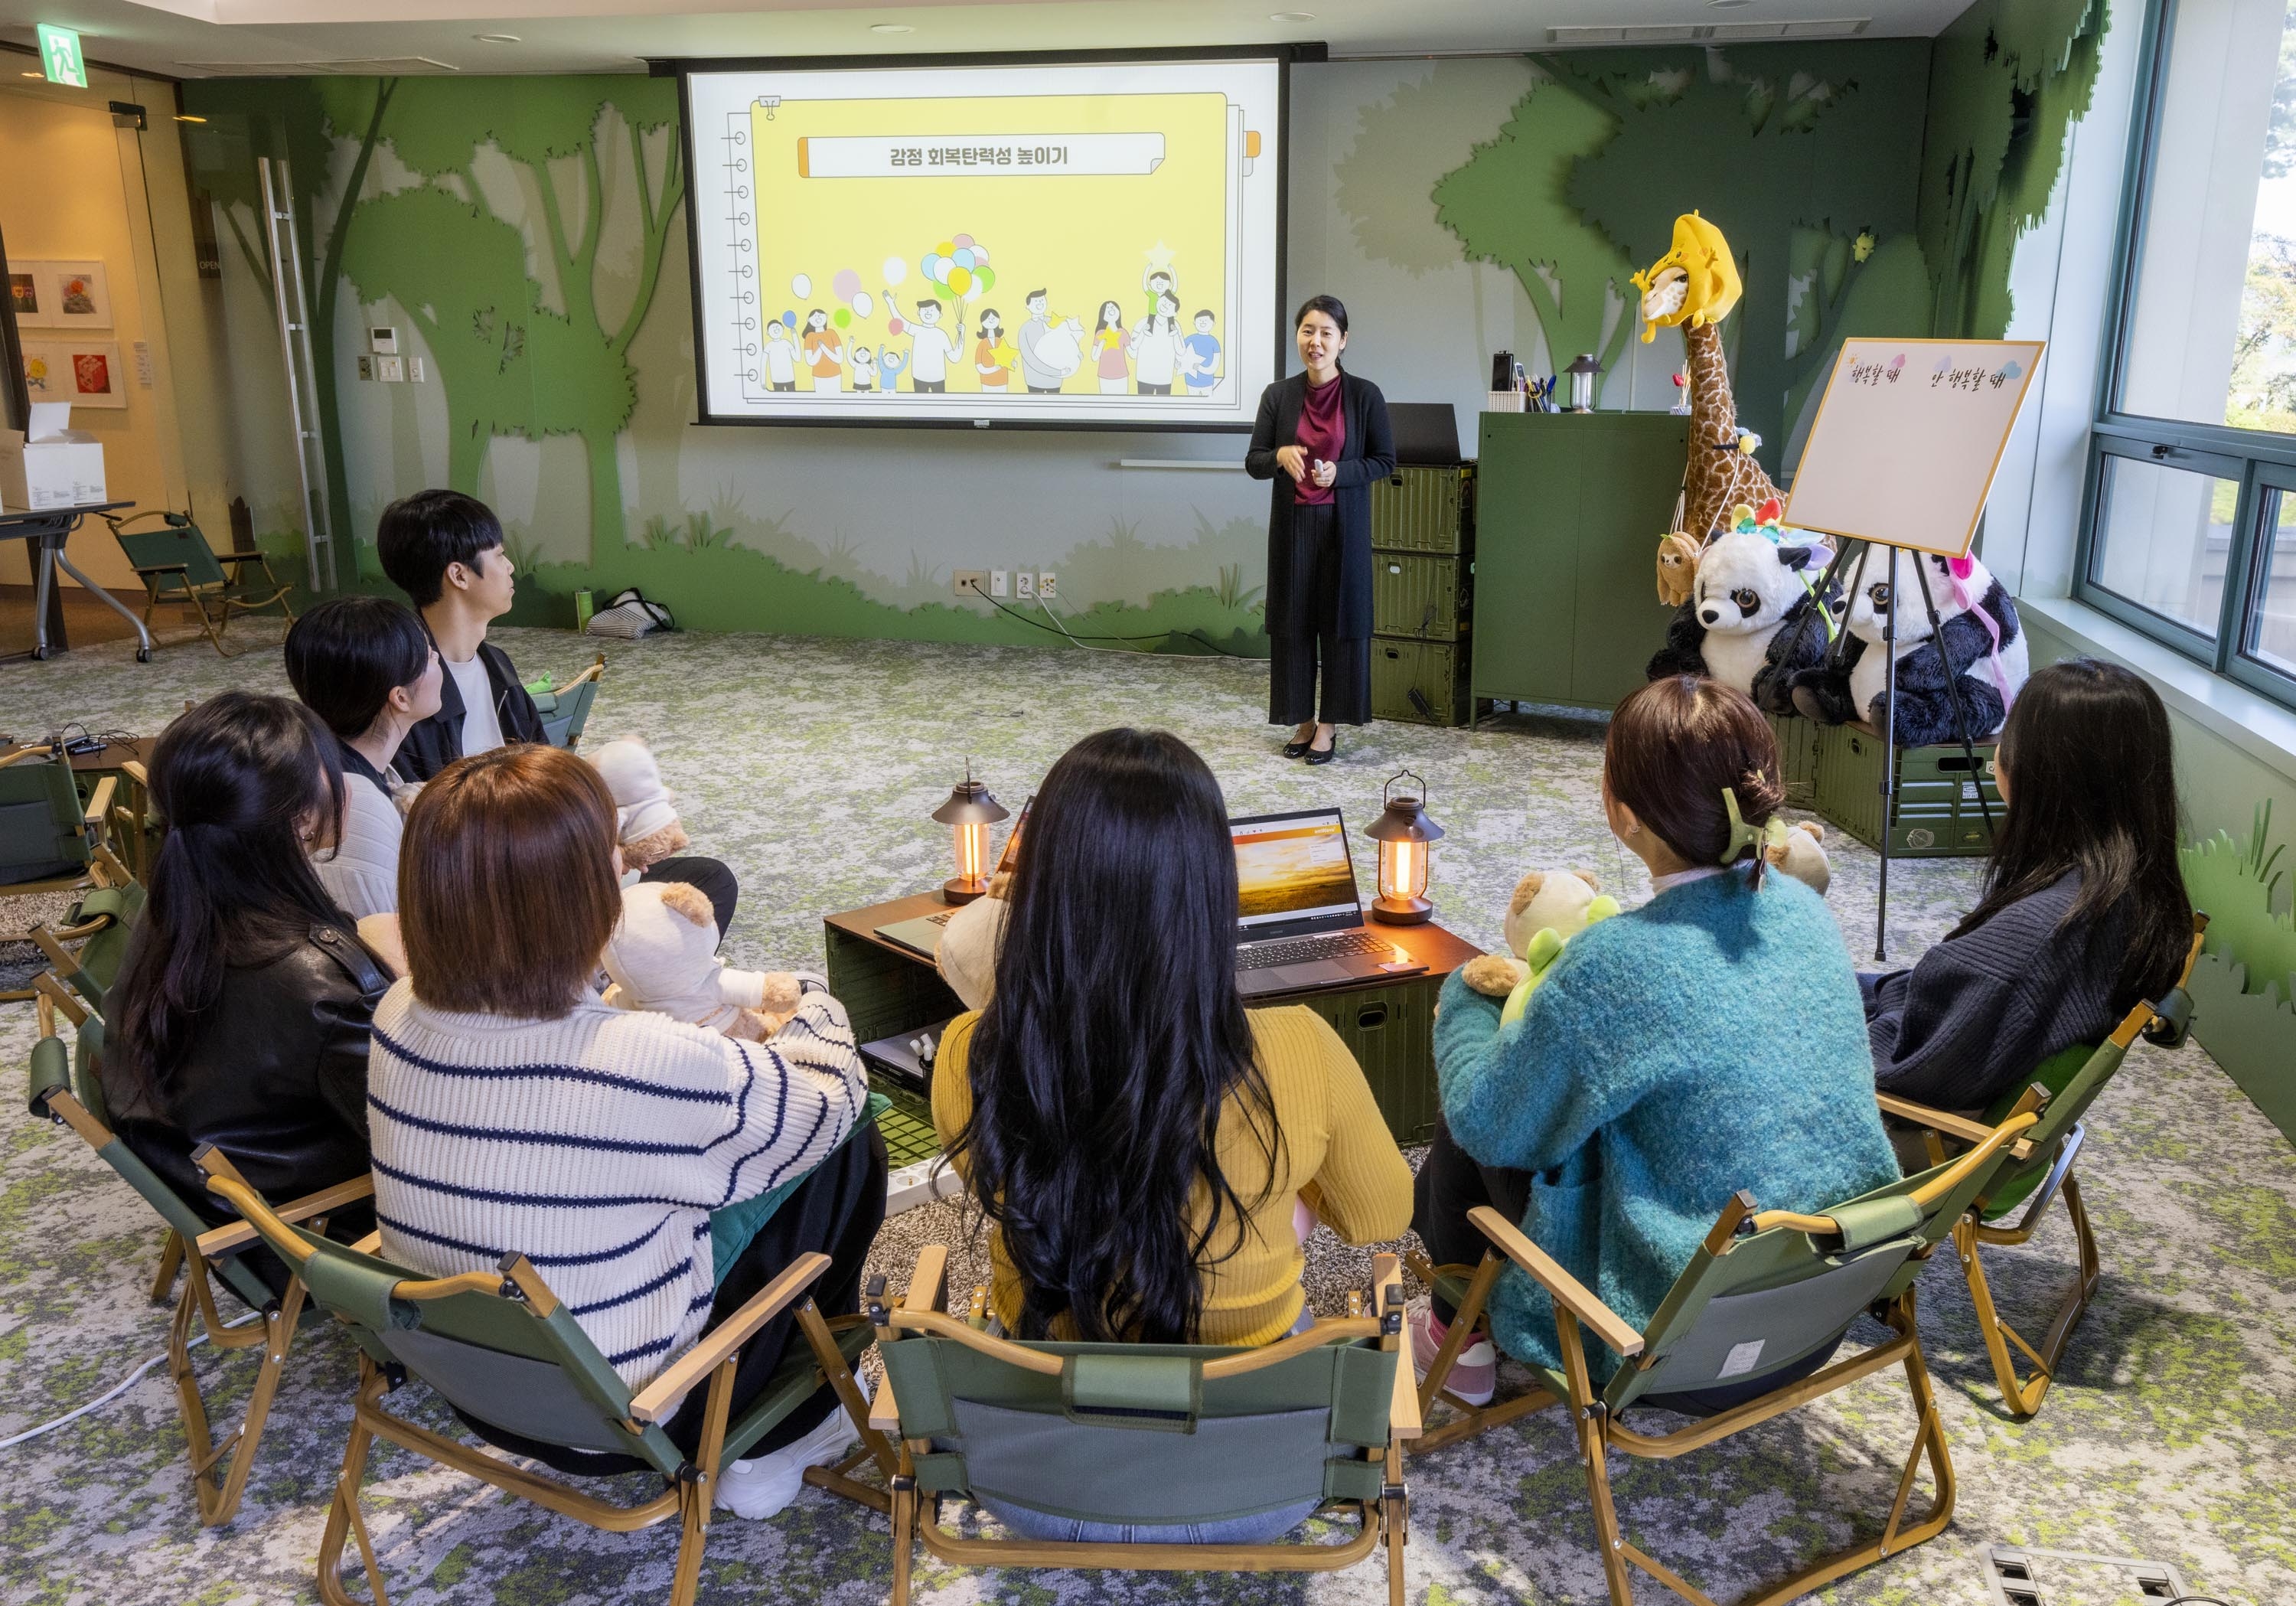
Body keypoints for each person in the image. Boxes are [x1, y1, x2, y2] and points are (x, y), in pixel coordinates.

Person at [367, 745, 884, 1519]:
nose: (630, 876)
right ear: (581, 901)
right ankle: (786, 1428)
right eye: (614, 864)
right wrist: (804, 994)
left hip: (468, 1376)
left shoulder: (396, 1009)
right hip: (627, 1413)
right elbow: (826, 1095)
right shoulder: (641, 1061)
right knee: (849, 1137)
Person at [933, 727, 1414, 1544]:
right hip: (1261, 1483)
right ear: (1210, 892)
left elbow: (1023, 1172)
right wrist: (1283, 1196)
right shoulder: (1302, 1046)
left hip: (1035, 1478)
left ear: (1038, 888)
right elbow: (1380, 1217)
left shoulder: (969, 1052)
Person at [1412, 677, 1900, 1412]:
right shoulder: (1804, 910)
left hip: (1667, 1336)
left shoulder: (1614, 965)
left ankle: (1459, 1339)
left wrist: (1466, 997)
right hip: (1818, 1311)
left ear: (1623, 813)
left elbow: (1491, 1120)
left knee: (1470, 1107)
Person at [99, 692, 391, 1282]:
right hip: (317, 1237)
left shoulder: (169, 911)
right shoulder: (319, 980)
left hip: (220, 1195)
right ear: (303, 819)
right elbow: (413, 1134)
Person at [376, 488, 740, 938]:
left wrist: (617, 816)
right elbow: (432, 840)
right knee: (672, 909)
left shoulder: (497, 666)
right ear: (459, 575)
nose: (510, 568)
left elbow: (548, 779)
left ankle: (614, 965)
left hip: (544, 863)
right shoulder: (409, 691)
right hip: (497, 894)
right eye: (500, 555)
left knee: (708, 881)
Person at [1864, 658, 2194, 1121]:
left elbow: (1898, 1078)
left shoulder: (2031, 940)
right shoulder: (2137, 893)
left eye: (2008, 738)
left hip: (1918, 1132)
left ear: (2037, 770)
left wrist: (1852, 1016)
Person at [1246, 295, 1394, 765]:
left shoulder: (1365, 395)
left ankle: (1328, 726)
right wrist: (1279, 457)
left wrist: (1342, 473)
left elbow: (1384, 461)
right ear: (1298, 337)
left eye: (1326, 333)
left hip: (1341, 529)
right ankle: (1302, 721)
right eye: (1308, 331)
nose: (1316, 342)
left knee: (1339, 624)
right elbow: (1254, 461)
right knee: (1293, 625)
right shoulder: (1278, 395)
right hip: (1294, 529)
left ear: (1343, 341)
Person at [284, 596, 440, 920]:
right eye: (428, 657)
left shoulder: (322, 764)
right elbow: (377, 949)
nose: (438, 657)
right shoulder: (355, 805)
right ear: (400, 698)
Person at [1132, 292, 1182, 395]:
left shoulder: (1175, 325)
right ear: (1158, 301)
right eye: (1164, 301)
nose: (1165, 305)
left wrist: (1176, 334)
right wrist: (1143, 331)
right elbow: (1133, 345)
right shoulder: (1144, 322)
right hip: (1144, 375)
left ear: (1175, 313)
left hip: (1165, 377)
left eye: (1169, 305)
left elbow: (1181, 351)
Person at [1091, 299, 1132, 394]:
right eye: (1107, 308)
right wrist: (1101, 344)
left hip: (1122, 374)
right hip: (1104, 375)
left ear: (1119, 312)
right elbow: (1094, 357)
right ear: (1103, 316)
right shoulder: (1100, 333)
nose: (1111, 309)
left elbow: (1132, 354)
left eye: (1113, 307)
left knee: (1122, 402)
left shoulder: (1123, 332)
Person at [801, 308, 844, 392]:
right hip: (818, 376)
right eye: (815, 316)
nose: (818, 317)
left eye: (820, 315)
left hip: (835, 374)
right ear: (809, 320)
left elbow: (839, 359)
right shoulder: (810, 337)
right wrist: (820, 349)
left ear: (826, 317)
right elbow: (811, 362)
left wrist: (823, 347)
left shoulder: (831, 333)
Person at [1182, 308, 1221, 396]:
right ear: (1194, 323)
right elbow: (1180, 353)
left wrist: (1201, 369)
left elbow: (1214, 365)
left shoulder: (1214, 342)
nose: (1203, 322)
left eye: (1206, 320)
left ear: (1213, 324)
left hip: (1207, 382)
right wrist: (1178, 363)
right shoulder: (1189, 339)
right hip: (1191, 381)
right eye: (1200, 320)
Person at [974, 308, 1013, 392]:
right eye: (988, 319)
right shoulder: (982, 344)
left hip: (1002, 381)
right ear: (982, 322)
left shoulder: (1001, 342)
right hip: (987, 382)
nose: (991, 320)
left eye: (993, 318)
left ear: (998, 320)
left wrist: (1012, 363)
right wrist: (994, 369)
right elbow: (979, 366)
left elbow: (1008, 359)